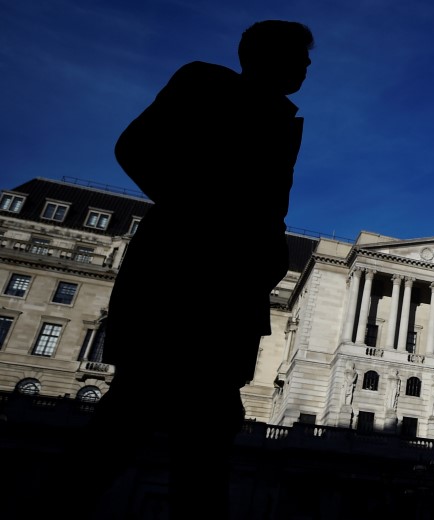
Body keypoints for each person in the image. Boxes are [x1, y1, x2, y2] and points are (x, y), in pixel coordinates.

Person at [86, 20, 314, 519]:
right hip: (179, 281)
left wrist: (267, 254)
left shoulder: (284, 118)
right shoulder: (205, 83)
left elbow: (266, 209)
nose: (308, 65)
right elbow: (134, 147)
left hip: (233, 295)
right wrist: (202, 214)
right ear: (265, 54)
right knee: (137, 421)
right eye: (301, 54)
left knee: (204, 437)